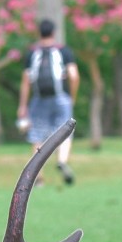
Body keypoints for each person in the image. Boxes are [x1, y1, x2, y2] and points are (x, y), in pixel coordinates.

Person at [15, 18, 79, 185]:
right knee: (66, 130)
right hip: (61, 98)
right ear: (53, 32)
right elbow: (73, 75)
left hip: (39, 99)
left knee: (37, 134)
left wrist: (22, 106)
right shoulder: (64, 51)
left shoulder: (32, 53)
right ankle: (62, 161)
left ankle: (38, 176)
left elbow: (25, 81)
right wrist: (71, 97)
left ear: (39, 33)